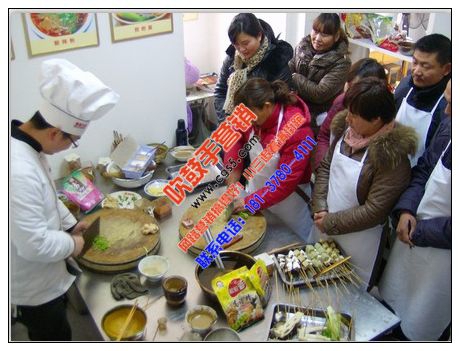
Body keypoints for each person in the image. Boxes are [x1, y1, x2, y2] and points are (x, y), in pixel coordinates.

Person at [11, 58, 119, 340]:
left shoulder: (29, 148)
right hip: (34, 286)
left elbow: (49, 195)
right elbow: (32, 244)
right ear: (54, 132)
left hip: (47, 273)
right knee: (52, 335)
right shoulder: (17, 170)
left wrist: (72, 225)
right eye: (70, 142)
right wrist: (73, 243)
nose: (68, 148)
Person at [311, 77, 417, 288]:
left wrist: (331, 222)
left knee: (348, 293)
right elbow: (325, 168)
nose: (348, 118)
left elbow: (375, 210)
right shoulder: (347, 131)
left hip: (359, 243)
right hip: (324, 225)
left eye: (355, 115)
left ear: (377, 119)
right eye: (349, 111)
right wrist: (320, 207)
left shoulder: (392, 156)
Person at [379, 80, 451, 341]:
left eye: (452, 104)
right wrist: (407, 210)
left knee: (422, 321)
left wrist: (421, 231)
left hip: (443, 258)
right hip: (411, 230)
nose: (445, 110)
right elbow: (423, 170)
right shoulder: (449, 127)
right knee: (394, 300)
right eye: (446, 99)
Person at [226, 78, 315, 241]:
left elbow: (284, 182)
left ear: (267, 106)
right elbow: (235, 135)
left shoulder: (297, 131)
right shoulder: (254, 115)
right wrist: (233, 174)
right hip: (256, 197)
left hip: (289, 209)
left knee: (292, 247)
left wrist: (250, 202)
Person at [214, 13, 293, 124]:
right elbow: (220, 92)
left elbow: (280, 105)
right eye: (236, 44)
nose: (241, 49)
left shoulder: (276, 61)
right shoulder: (232, 58)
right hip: (232, 125)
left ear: (259, 36)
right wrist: (227, 121)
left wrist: (249, 127)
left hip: (262, 128)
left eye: (245, 43)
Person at [314, 58, 387, 170]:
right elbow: (324, 135)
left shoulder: (383, 113)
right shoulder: (341, 102)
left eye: (360, 89)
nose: (352, 93)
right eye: (350, 85)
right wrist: (321, 168)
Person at [394, 33, 451, 167]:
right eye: (415, 62)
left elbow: (433, 159)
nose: (416, 71)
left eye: (425, 66)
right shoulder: (405, 86)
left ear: (446, 69)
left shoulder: (447, 105)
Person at [289, 13, 351, 131]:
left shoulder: (342, 63)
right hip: (294, 109)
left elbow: (319, 93)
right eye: (315, 31)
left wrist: (295, 78)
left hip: (318, 120)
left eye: (324, 34)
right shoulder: (302, 46)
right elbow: (290, 66)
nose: (317, 38)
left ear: (336, 36)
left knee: (304, 148)